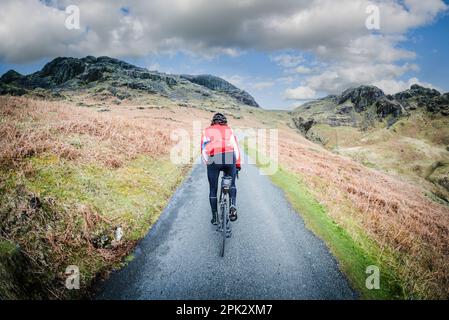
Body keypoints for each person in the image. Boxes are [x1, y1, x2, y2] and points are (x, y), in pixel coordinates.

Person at [201, 112, 241, 225]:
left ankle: (215, 217)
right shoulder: (229, 130)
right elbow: (236, 148)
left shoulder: (206, 131)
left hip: (214, 158)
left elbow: (204, 149)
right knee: (232, 184)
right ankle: (232, 205)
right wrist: (237, 165)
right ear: (225, 122)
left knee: (213, 189)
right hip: (229, 155)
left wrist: (208, 163)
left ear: (213, 121)